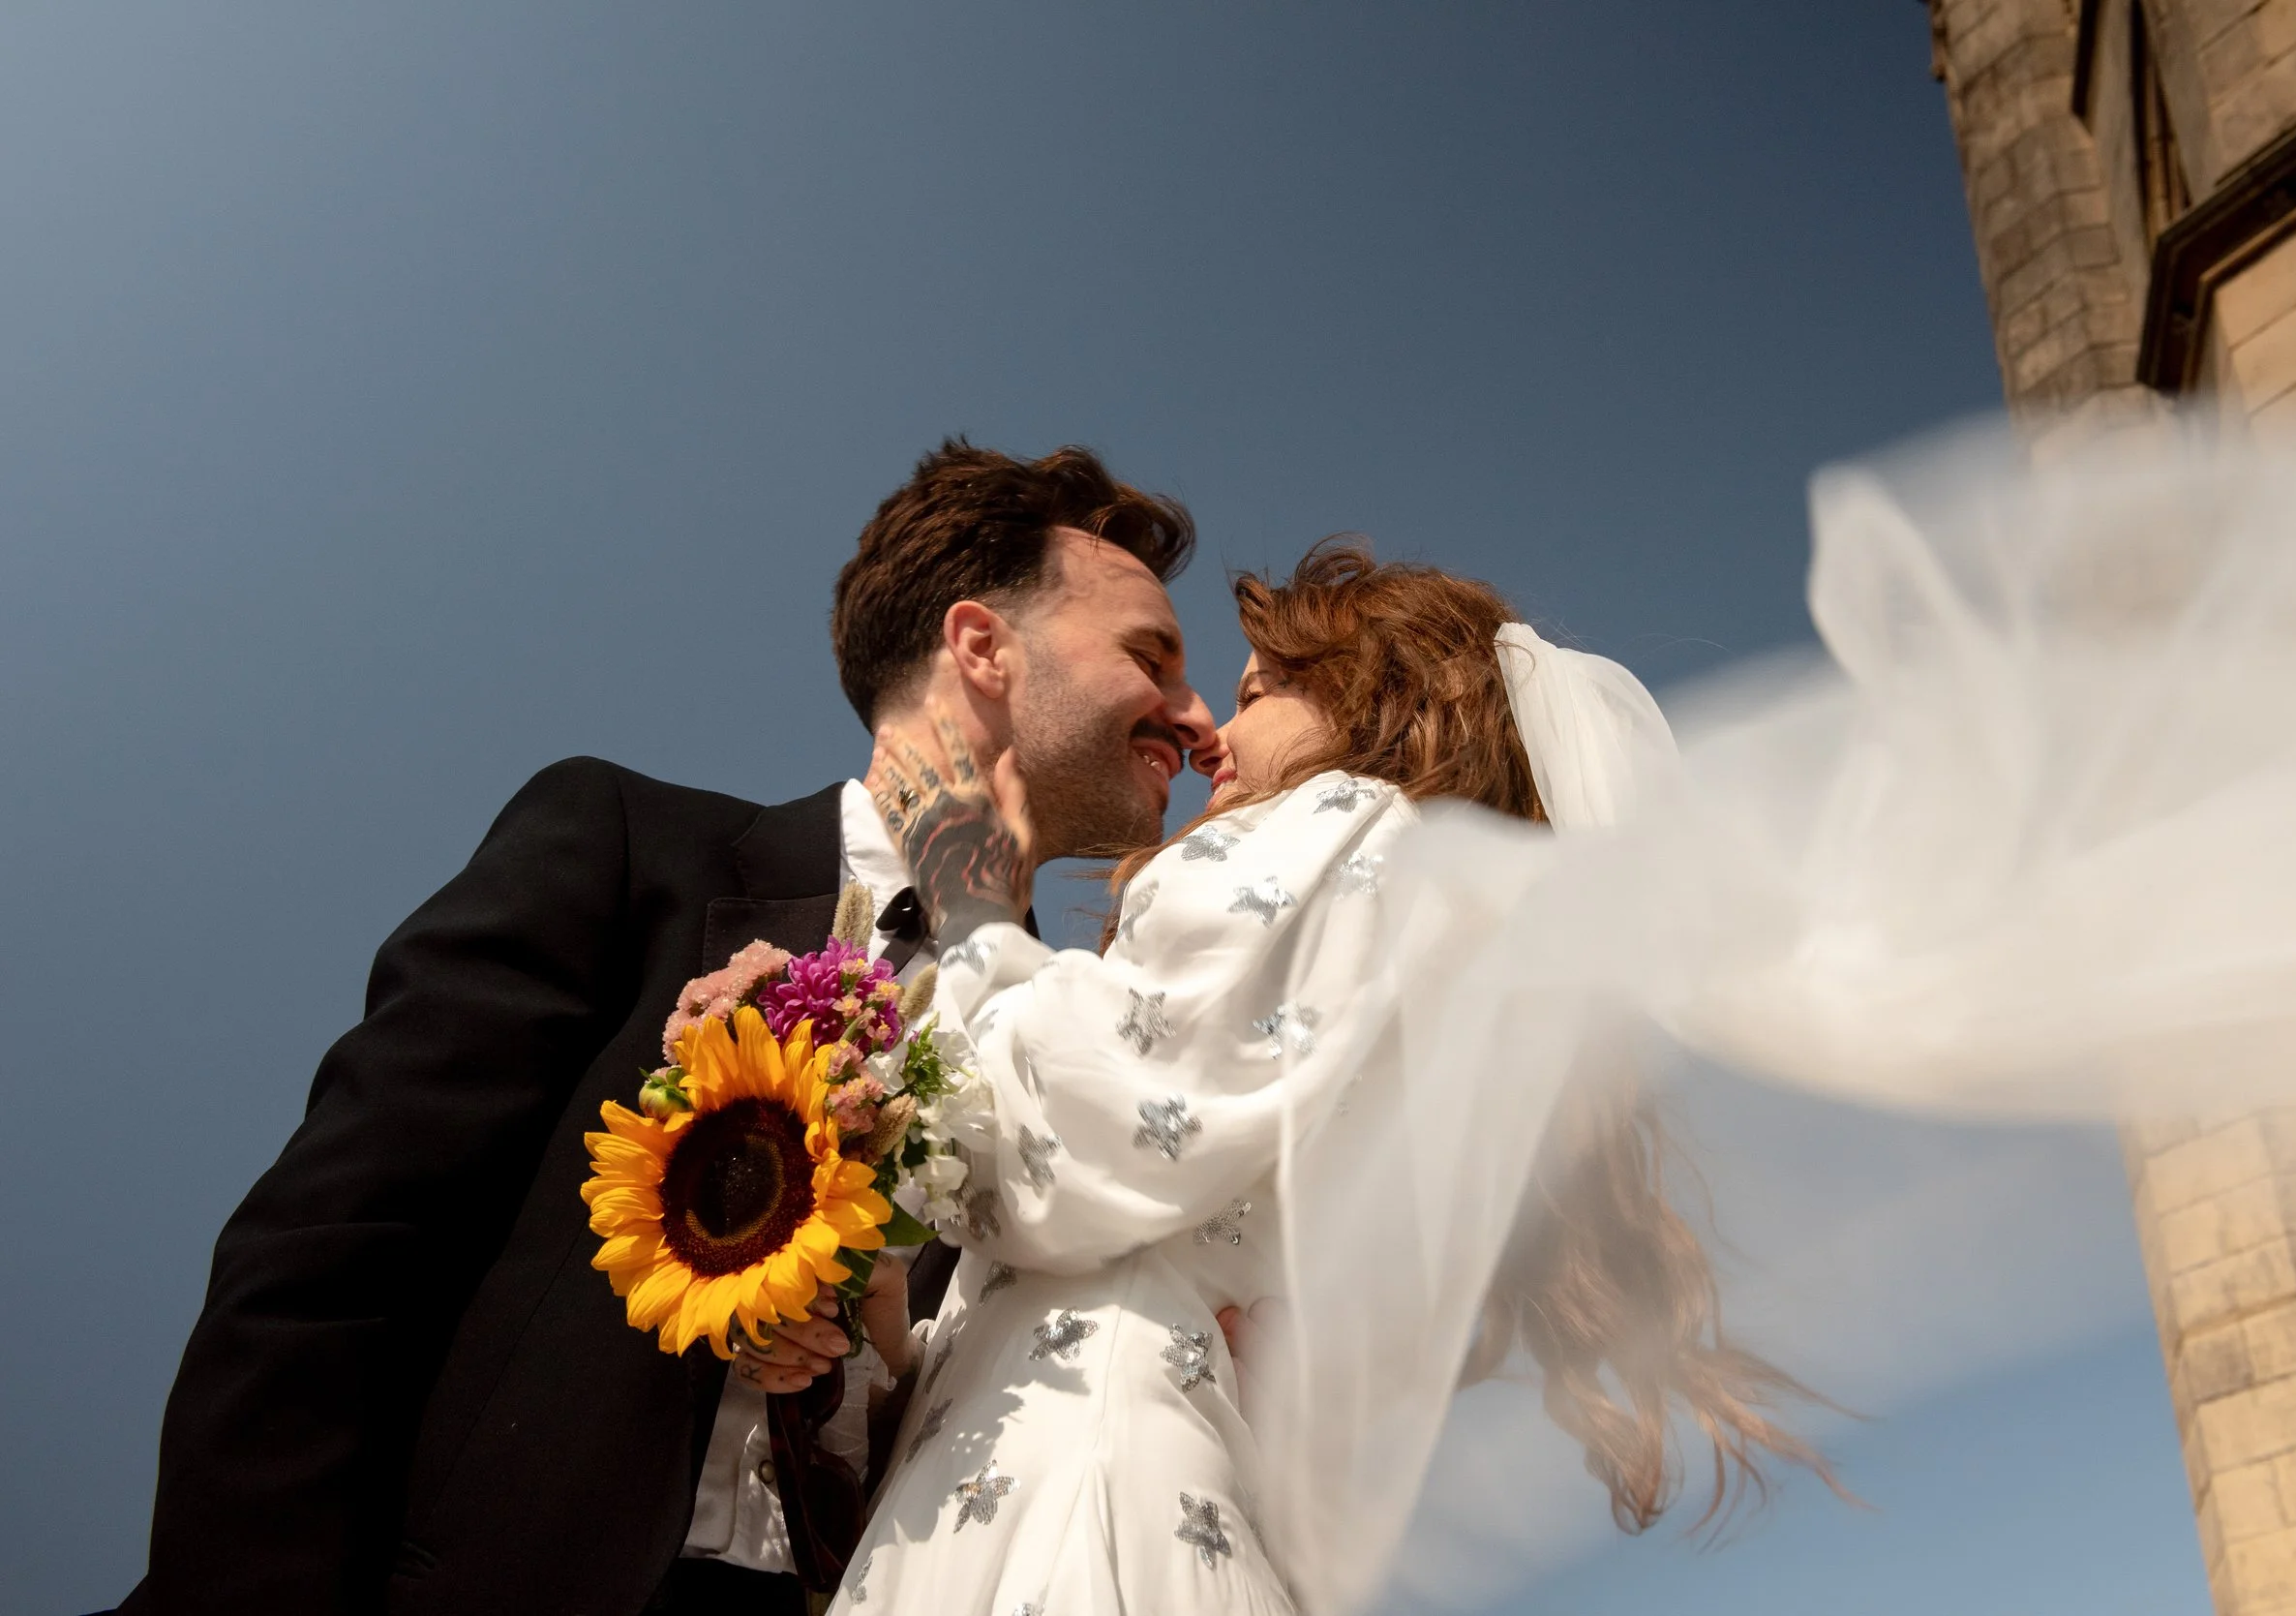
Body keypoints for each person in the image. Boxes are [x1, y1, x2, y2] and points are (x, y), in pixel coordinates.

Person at [117, 442, 1218, 1616]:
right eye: (1150, 655)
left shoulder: (1066, 1034)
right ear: (981, 646)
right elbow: (338, 1250)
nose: (1195, 717)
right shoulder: (628, 850)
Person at [843, 542, 1826, 1615]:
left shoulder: (1346, 822)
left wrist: (975, 904)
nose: (1211, 725)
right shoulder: (1411, 941)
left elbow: (1072, 1146)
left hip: (1077, 1502)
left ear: (1373, 706)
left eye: (1260, 689)